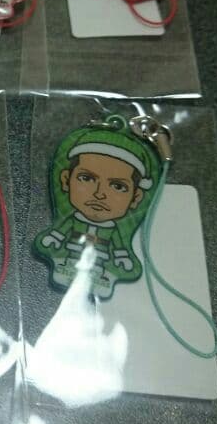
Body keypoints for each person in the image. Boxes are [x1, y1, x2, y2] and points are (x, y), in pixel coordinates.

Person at [34, 125, 159, 298]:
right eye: (87, 178)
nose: (100, 194)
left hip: (100, 263)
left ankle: (98, 281)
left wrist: (122, 257)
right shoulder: (72, 219)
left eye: (118, 186)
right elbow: (60, 231)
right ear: (66, 180)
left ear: (136, 197)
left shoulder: (114, 231)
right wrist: (54, 238)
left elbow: (119, 245)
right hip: (69, 257)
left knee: (98, 270)